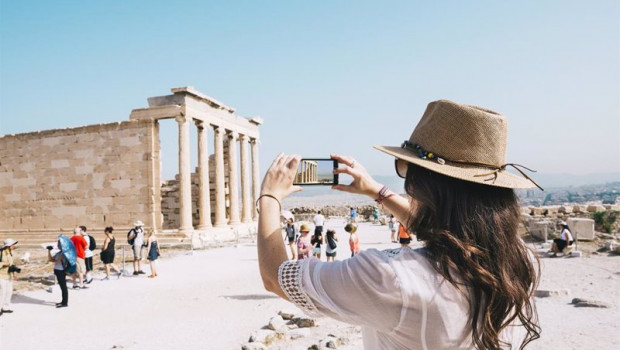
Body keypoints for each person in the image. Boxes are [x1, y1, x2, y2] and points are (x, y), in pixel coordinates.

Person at [256, 100, 542, 349]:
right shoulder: (519, 261)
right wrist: (377, 192)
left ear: (426, 186)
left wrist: (269, 197)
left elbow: (275, 277)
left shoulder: (390, 277)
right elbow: (447, 228)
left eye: (406, 169)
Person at [48, 240, 68, 308]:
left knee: (63, 287)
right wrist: (49, 251)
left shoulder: (63, 253)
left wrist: (58, 258)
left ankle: (65, 302)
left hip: (61, 271)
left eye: (59, 244)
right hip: (57, 270)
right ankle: (63, 301)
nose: (57, 246)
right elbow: (51, 259)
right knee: (62, 287)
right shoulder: (59, 252)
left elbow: (56, 261)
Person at [0, 239, 18, 315]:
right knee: (2, 292)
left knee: (9, 292)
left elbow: (12, 264)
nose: (14, 246)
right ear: (9, 245)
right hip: (1, 275)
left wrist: (14, 273)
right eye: (13, 244)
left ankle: (5, 307)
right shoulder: (1, 252)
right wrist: (4, 263)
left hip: (9, 275)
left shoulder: (11, 253)